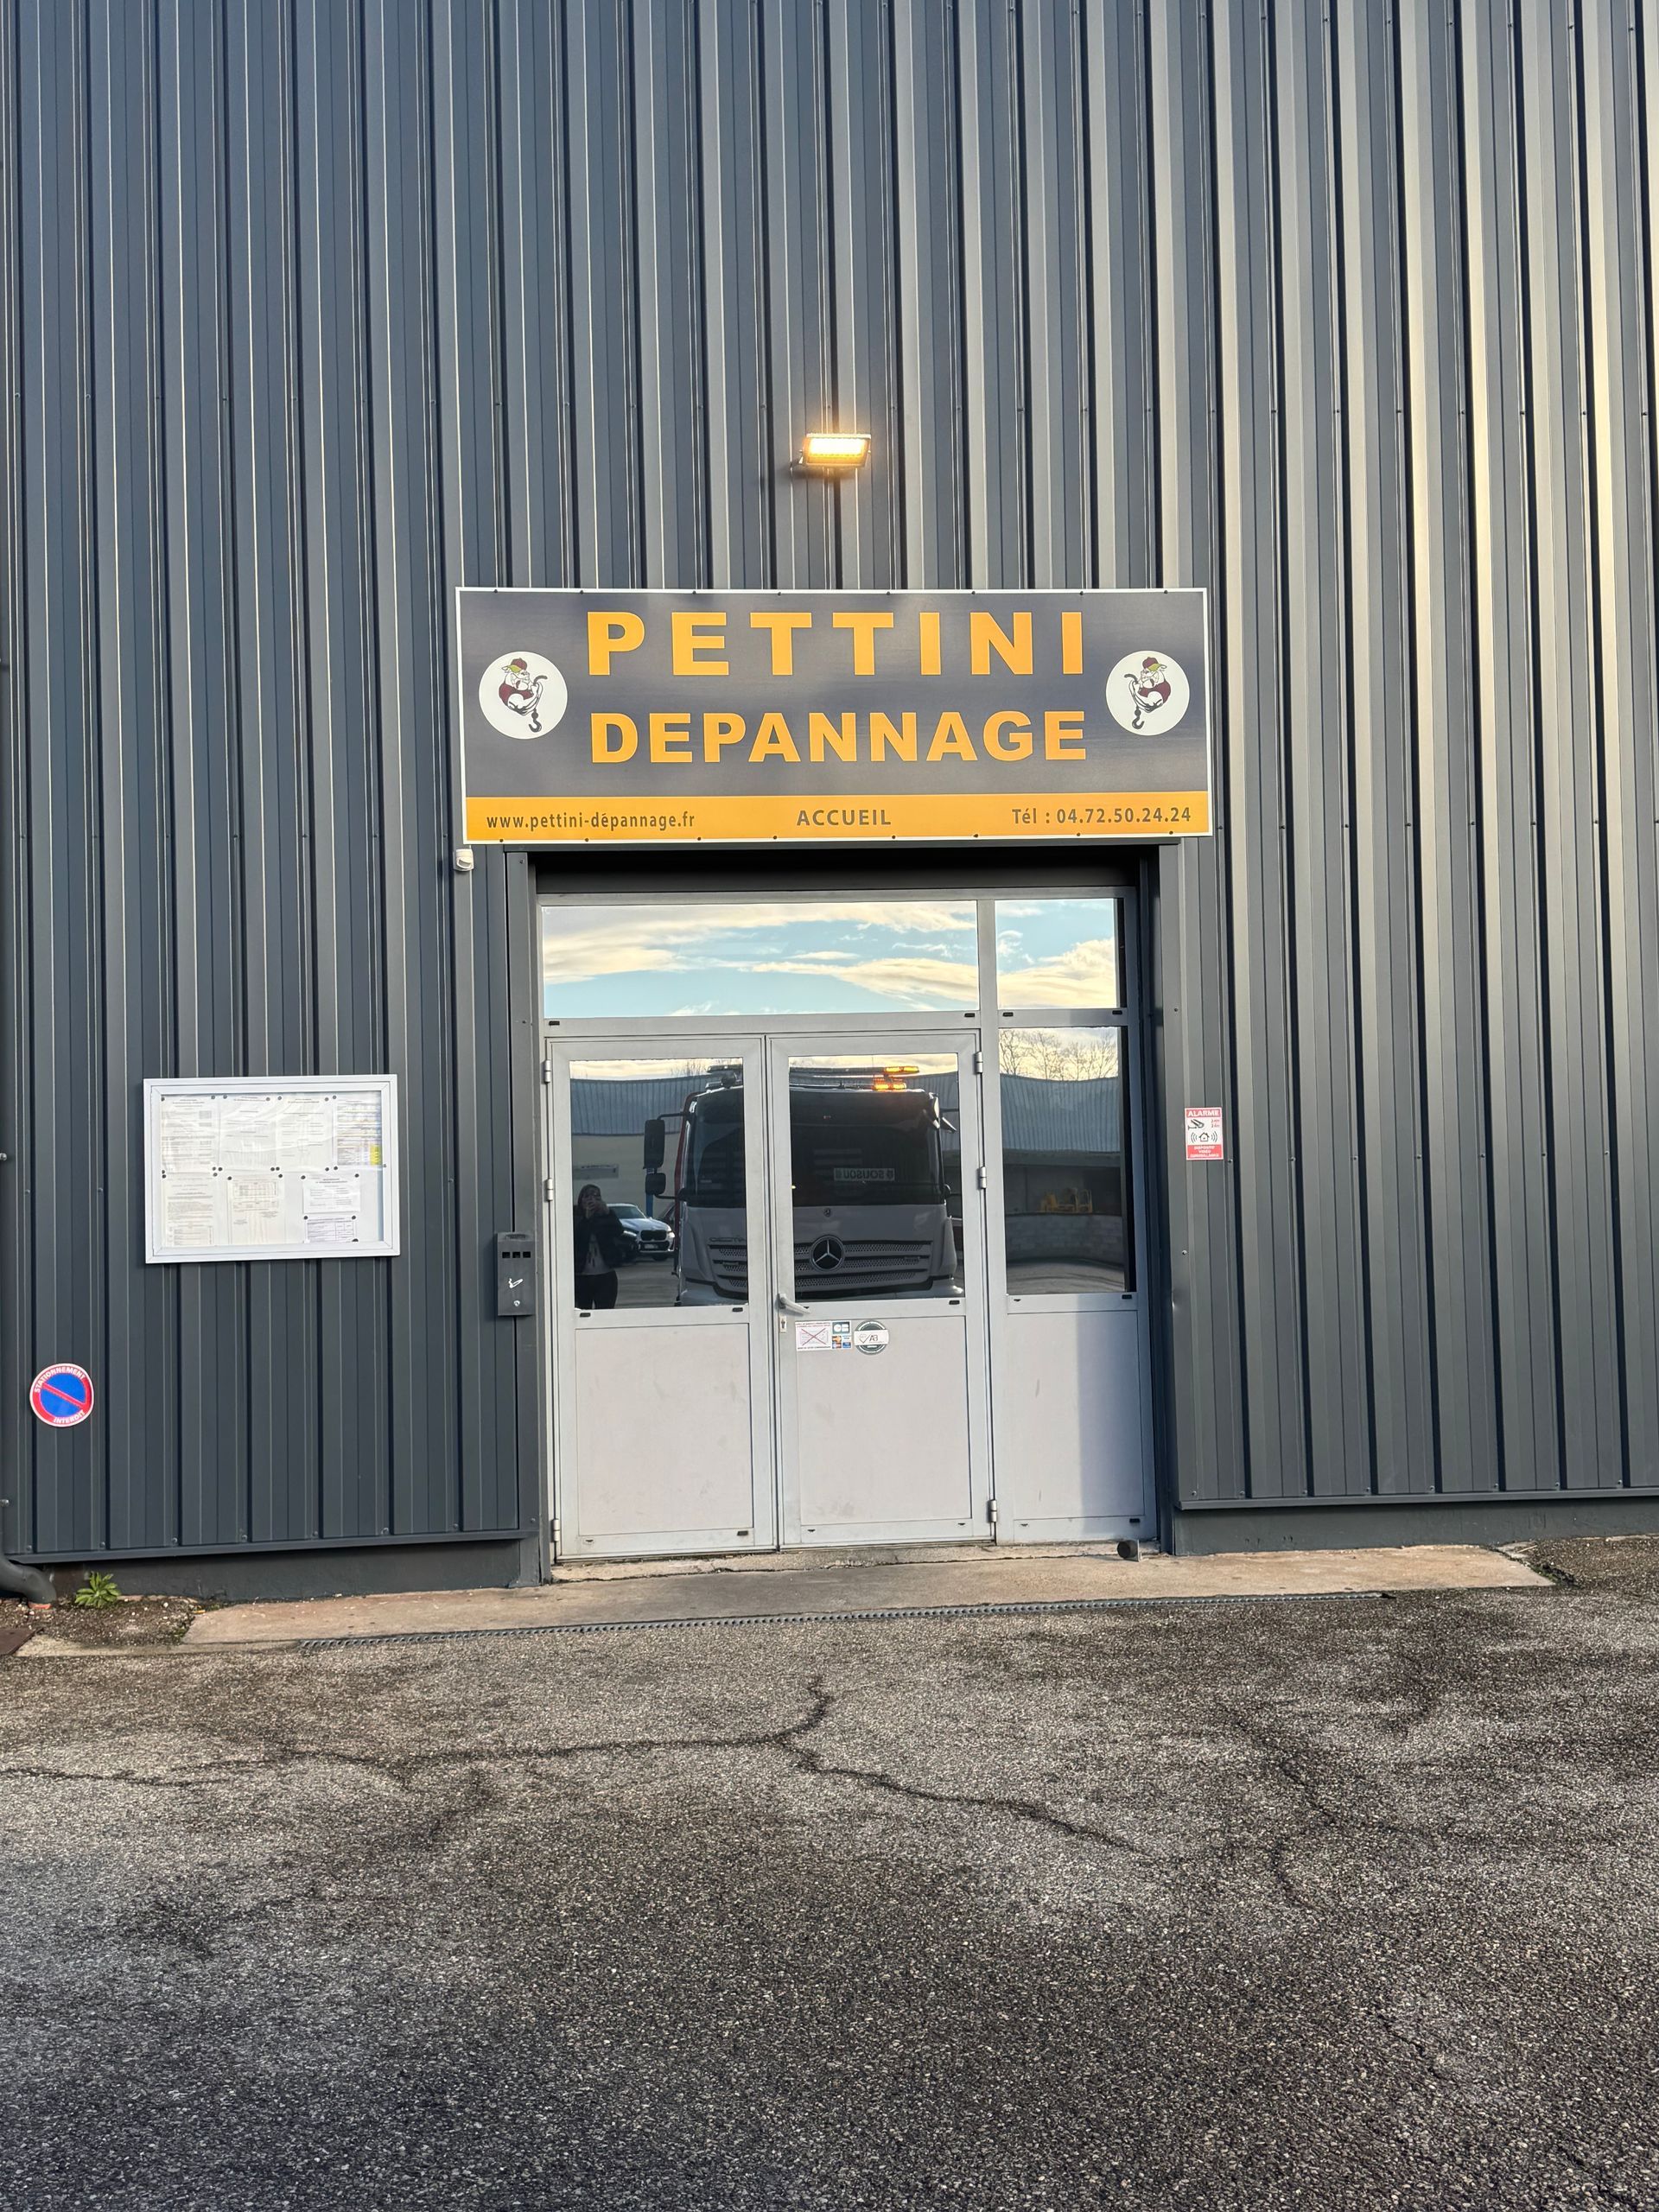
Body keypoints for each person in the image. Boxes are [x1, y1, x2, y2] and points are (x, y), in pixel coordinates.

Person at [572, 1184, 631, 1310]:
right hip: (581, 1275)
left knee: (605, 1312)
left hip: (605, 1275)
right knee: (583, 1312)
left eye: (596, 1197)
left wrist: (608, 1213)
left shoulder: (605, 1217)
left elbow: (618, 1231)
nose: (591, 1201)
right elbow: (577, 1237)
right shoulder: (575, 1216)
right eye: (587, 1197)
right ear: (580, 1199)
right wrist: (587, 1218)